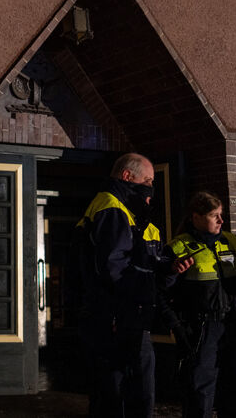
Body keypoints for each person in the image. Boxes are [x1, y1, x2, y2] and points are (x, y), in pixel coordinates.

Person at [75, 152, 184, 418]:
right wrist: (128, 307)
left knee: (128, 389)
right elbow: (114, 269)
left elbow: (142, 269)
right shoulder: (112, 209)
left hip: (127, 317)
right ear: (127, 176)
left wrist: (168, 270)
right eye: (147, 181)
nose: (151, 188)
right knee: (125, 392)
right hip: (118, 318)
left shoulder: (131, 217)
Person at [162, 191, 236, 418]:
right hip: (203, 329)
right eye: (214, 215)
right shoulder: (178, 247)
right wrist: (178, 327)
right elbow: (161, 292)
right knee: (199, 394)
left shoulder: (232, 242)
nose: (221, 220)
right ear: (196, 217)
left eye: (221, 215)